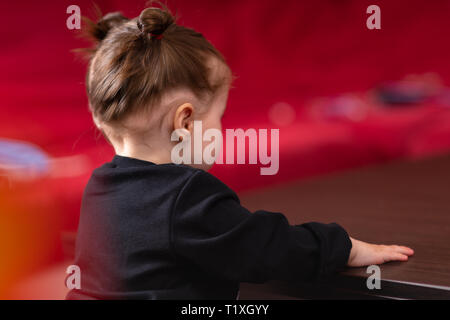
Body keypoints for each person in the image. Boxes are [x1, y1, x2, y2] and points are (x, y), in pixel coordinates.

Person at [67, 5, 413, 300]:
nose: (222, 129)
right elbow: (267, 248)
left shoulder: (98, 188)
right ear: (185, 122)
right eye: (220, 116)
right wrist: (343, 247)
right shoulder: (187, 196)